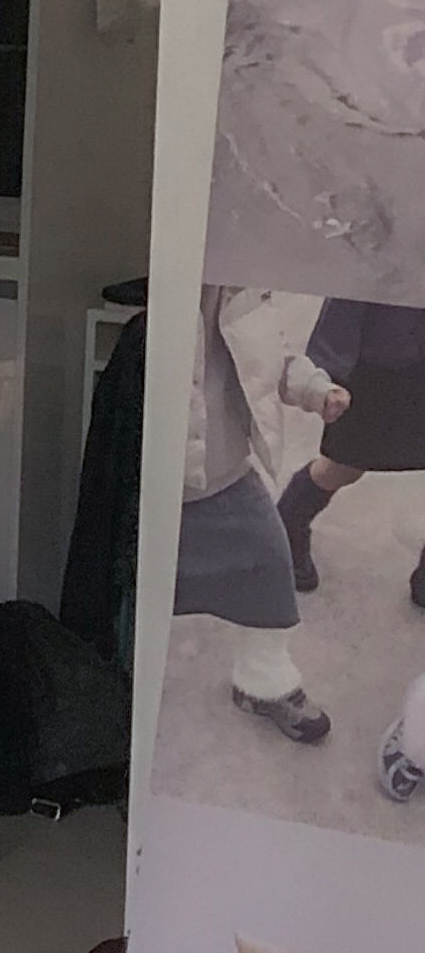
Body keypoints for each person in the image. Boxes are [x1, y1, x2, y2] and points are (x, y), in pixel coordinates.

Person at [181, 287, 342, 742]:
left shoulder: (240, 281)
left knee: (269, 562)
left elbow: (272, 355)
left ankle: (263, 680)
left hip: (223, 467)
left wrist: (316, 389)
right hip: (146, 472)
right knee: (131, 585)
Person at [278, 298, 425, 605]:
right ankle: (288, 525)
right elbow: (352, 283)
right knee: (343, 465)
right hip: (384, 359)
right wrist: (327, 369)